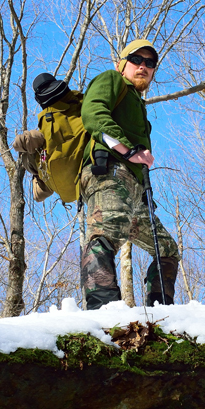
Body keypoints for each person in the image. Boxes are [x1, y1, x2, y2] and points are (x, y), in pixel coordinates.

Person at [79, 39, 180, 309]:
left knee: (167, 249)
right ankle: (104, 311)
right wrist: (127, 149)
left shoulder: (137, 104)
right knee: (104, 234)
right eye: (136, 60)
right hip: (108, 172)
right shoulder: (112, 79)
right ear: (121, 64)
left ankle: (161, 311)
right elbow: (92, 113)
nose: (143, 67)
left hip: (135, 188)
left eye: (150, 63)